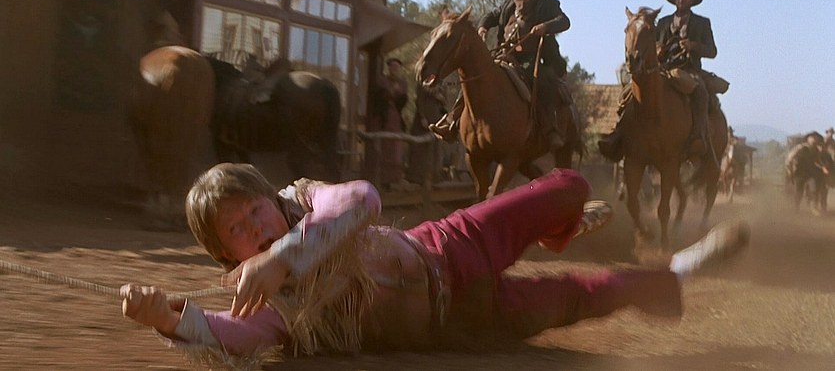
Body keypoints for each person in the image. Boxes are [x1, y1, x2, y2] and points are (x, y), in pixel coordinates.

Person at [120, 162, 749, 366]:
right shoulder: (267, 302)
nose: (254, 227)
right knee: (585, 296)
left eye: (253, 210)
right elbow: (233, 336)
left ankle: (558, 229)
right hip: (465, 317)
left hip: (450, 242)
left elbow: (363, 200)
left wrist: (283, 256)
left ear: (269, 197)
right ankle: (676, 273)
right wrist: (170, 319)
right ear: (225, 255)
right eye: (236, 230)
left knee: (570, 185)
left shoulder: (305, 201)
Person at [429, 0, 571, 151]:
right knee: (475, 77)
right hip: (505, 55)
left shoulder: (549, 5)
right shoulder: (509, 4)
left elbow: (564, 21)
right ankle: (452, 120)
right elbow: (490, 16)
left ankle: (550, 128)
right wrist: (483, 27)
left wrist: (545, 27)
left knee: (543, 80)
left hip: (533, 58)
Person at [599, 0, 718, 161]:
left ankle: (698, 136)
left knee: (700, 92)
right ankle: (619, 133)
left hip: (688, 69)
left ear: (691, 0)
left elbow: (712, 51)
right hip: (661, 69)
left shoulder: (702, 23)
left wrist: (693, 45)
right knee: (629, 92)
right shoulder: (663, 23)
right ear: (675, 0)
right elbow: (649, 44)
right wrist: (658, 49)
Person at [366, 57, 409, 189]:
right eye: (392, 67)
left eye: (397, 67)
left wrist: (397, 94)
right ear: (389, 68)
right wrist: (389, 93)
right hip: (382, 119)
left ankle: (393, 179)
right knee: (383, 149)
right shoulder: (382, 81)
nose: (395, 69)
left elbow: (403, 101)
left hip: (395, 119)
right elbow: (377, 99)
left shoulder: (402, 83)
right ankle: (380, 179)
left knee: (395, 149)